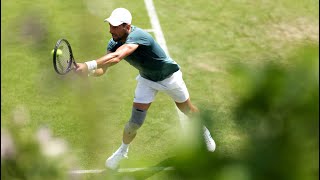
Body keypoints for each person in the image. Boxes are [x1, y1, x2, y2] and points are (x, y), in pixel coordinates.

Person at [75, 8, 216, 170]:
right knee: (134, 123)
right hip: (147, 79)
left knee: (188, 110)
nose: (110, 30)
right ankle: (122, 151)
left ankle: (204, 131)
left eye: (115, 26)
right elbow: (103, 69)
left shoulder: (138, 36)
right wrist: (88, 73)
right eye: (110, 25)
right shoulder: (113, 43)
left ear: (126, 27)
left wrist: (87, 65)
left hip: (170, 78)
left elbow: (117, 57)